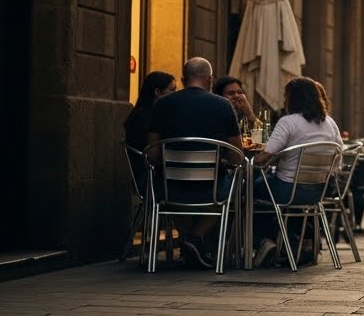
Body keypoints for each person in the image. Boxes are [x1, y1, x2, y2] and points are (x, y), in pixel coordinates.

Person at [146, 57, 243, 269]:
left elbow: (152, 154)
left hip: (170, 189)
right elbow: (237, 156)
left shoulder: (162, 104)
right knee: (233, 190)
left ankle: (189, 239)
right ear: (210, 79)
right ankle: (195, 238)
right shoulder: (223, 105)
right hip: (211, 189)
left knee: (169, 198)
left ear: (183, 79)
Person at [251, 76, 343, 267]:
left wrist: (249, 161)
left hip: (287, 189)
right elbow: (338, 158)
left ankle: (263, 240)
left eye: (286, 95)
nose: (284, 100)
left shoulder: (288, 121)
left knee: (249, 189)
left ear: (294, 97)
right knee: (267, 192)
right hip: (317, 192)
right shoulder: (330, 123)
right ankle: (289, 242)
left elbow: (266, 155)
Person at [124, 71, 177, 151]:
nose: (175, 94)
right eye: (172, 90)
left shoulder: (142, 113)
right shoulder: (142, 117)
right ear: (157, 92)